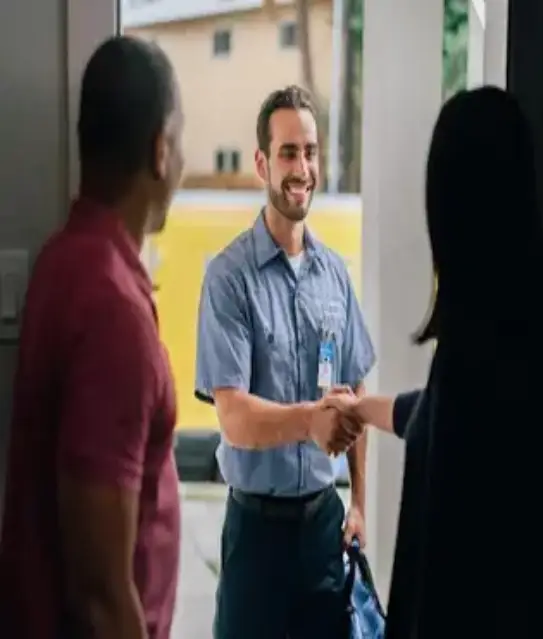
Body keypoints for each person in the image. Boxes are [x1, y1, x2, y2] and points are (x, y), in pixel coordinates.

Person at [327, 86, 543, 637]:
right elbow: (428, 416)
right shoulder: (526, 329)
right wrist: (362, 409)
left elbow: (448, 568)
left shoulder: (477, 354)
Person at [0, 36, 184, 639]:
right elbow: (101, 593)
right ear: (160, 150)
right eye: (178, 139)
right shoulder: (112, 312)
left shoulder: (66, 260)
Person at [195, 84, 376, 639]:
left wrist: (360, 503)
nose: (303, 168)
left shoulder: (335, 275)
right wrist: (308, 421)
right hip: (256, 534)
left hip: (324, 527)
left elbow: (356, 396)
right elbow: (234, 418)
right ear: (262, 164)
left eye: (311, 151)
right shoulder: (228, 278)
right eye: (289, 153)